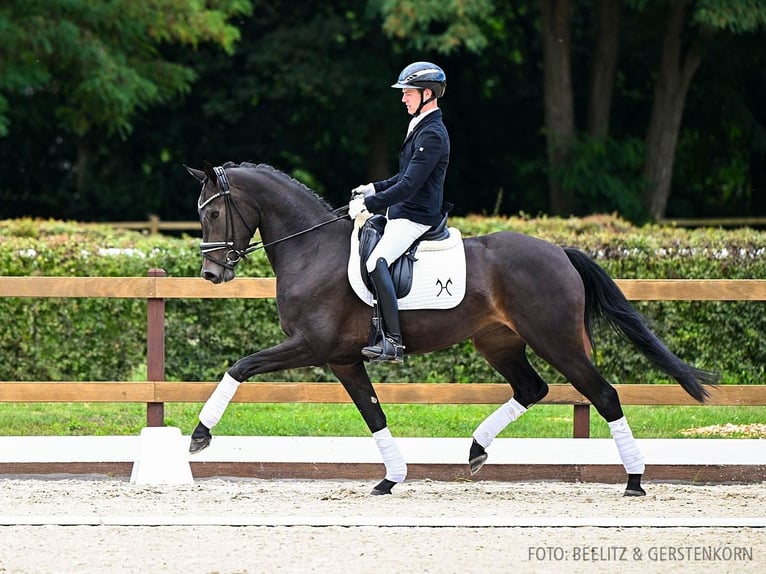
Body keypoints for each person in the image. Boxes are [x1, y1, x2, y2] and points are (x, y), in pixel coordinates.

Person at [348, 61, 451, 363]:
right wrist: (374, 189)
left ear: (427, 94)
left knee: (376, 261)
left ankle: (392, 341)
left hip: (417, 216)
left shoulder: (432, 134)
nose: (403, 98)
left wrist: (369, 205)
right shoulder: (420, 127)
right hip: (403, 211)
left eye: (408, 92)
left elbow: (409, 186)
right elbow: (402, 177)